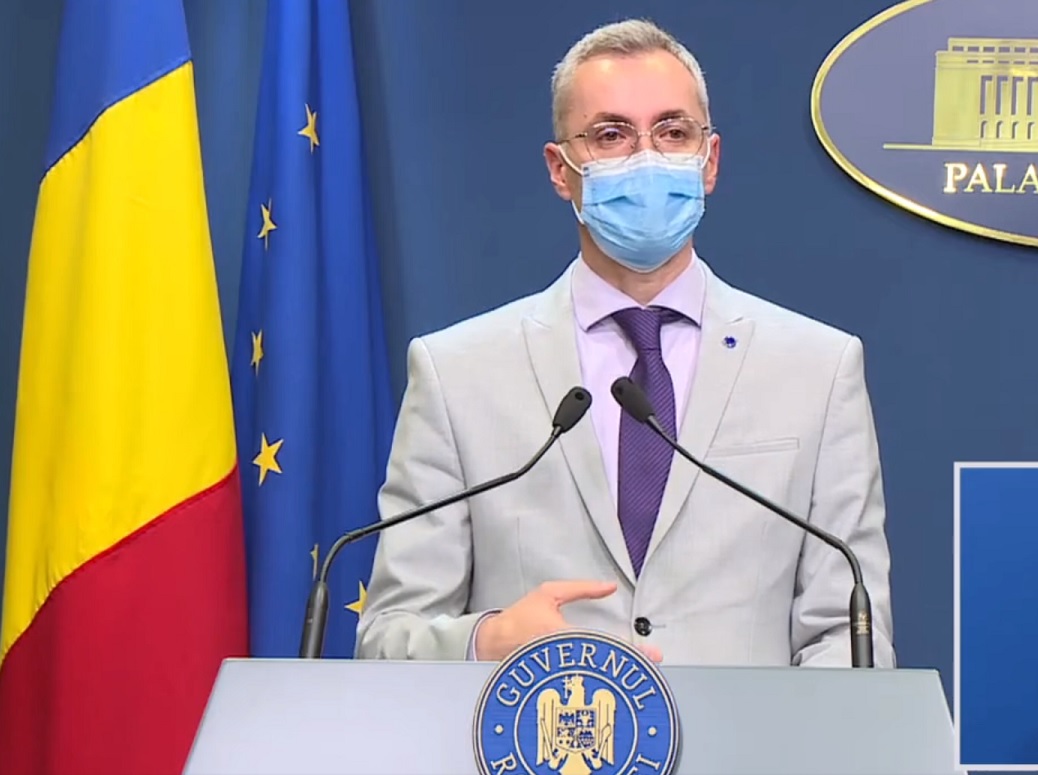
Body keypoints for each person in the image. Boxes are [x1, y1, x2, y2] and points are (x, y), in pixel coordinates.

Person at [353, 18, 896, 668]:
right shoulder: (456, 373)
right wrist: (486, 640)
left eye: (672, 132)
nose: (646, 159)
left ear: (709, 161)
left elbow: (849, 636)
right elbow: (387, 639)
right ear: (560, 170)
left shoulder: (818, 370)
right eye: (611, 135)